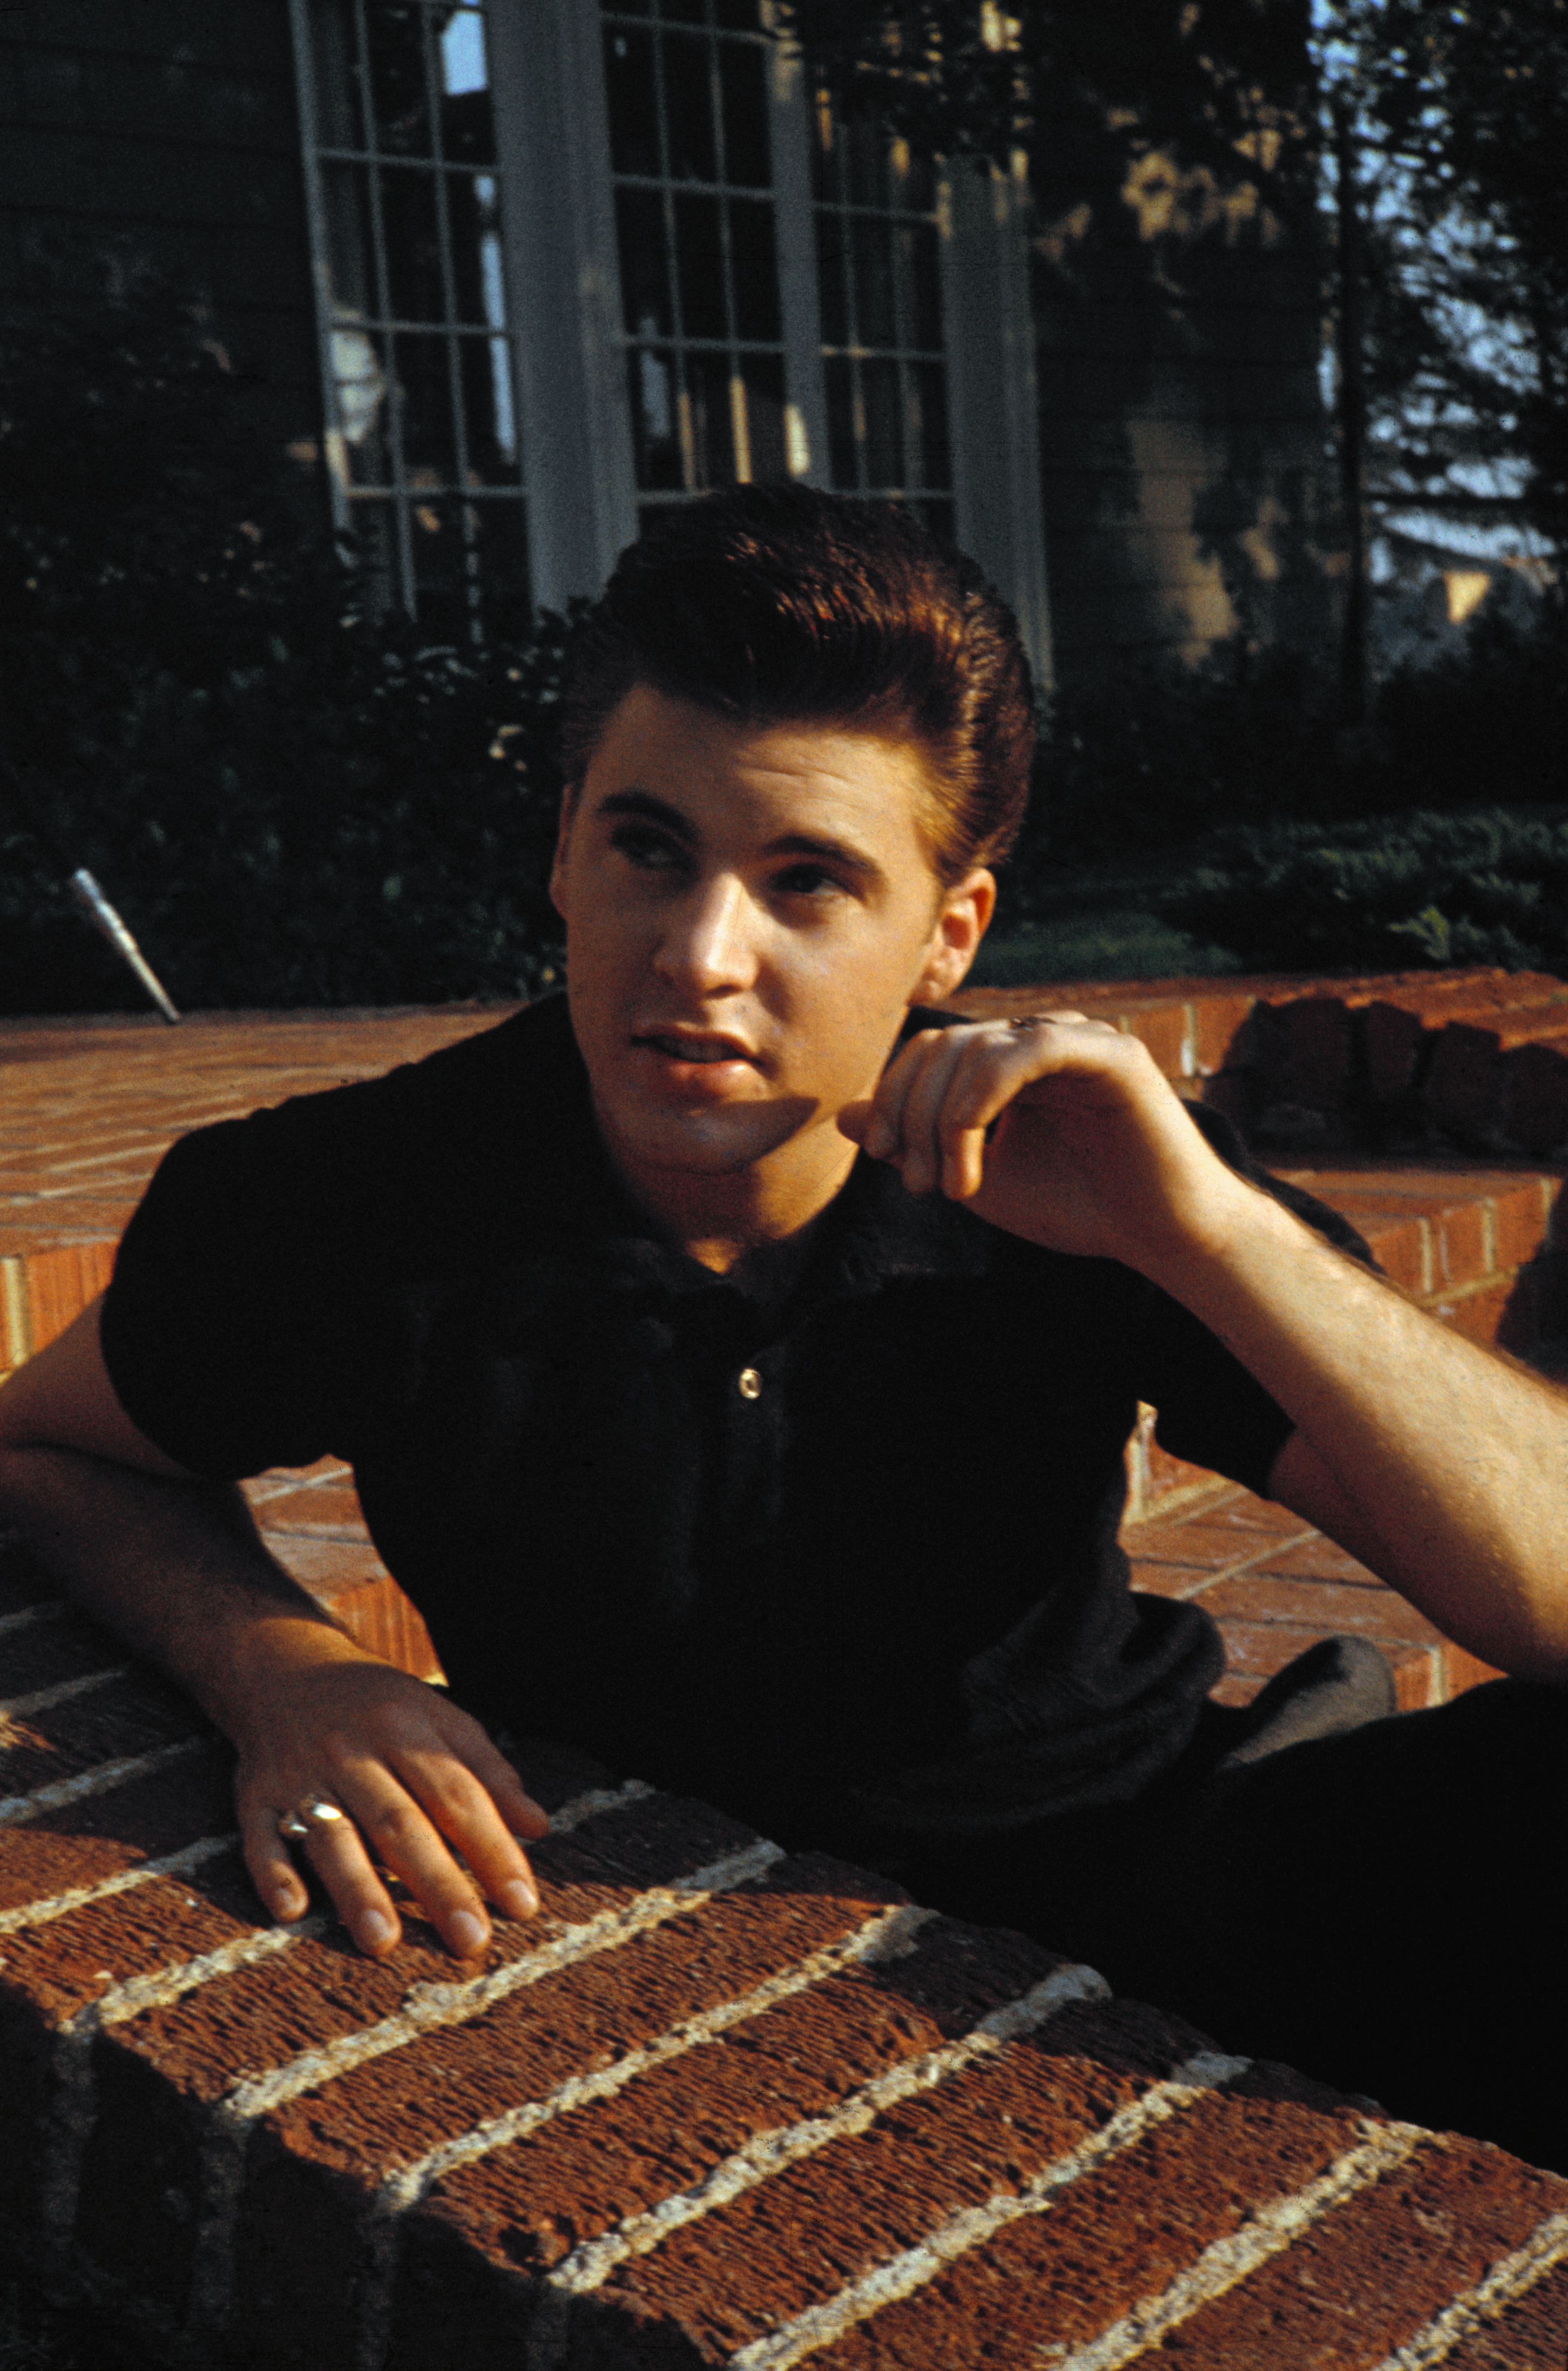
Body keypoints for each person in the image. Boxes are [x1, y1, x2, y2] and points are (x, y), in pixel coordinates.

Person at [2, 487, 1566, 2168]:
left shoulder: (1068, 1170)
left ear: (948, 933)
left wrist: (1206, 1228)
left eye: (808, 881)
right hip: (679, 1926)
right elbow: (46, 1444)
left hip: (1162, 1851)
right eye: (648, 848)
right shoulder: (362, 1195)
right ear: (563, 847)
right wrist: (282, 1669)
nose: (698, 956)